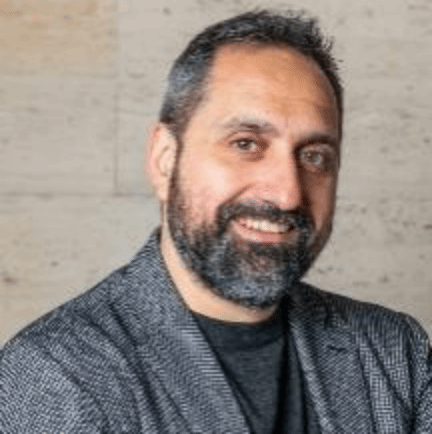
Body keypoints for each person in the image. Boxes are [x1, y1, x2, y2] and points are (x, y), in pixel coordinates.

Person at [1, 9, 431, 434]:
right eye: (246, 143)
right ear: (165, 160)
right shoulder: (55, 376)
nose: (287, 194)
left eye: (314, 156)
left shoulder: (396, 351)